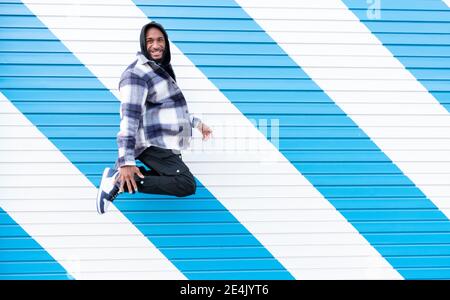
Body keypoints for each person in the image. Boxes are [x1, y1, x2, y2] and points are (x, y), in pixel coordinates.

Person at [96, 21, 212, 214]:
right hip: (151, 144)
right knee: (184, 184)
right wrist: (126, 161)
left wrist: (197, 124)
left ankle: (118, 181)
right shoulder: (136, 74)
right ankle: (118, 180)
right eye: (150, 41)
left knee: (182, 183)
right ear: (143, 43)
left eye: (160, 40)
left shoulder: (157, 70)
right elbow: (129, 118)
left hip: (162, 142)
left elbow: (166, 111)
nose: (156, 45)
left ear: (166, 43)